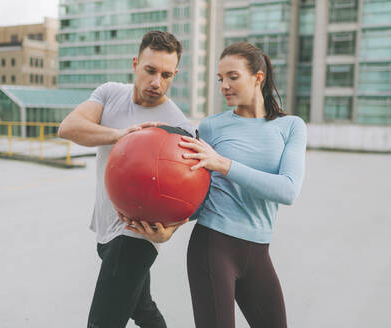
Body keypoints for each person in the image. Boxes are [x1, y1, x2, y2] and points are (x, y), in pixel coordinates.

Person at [58, 30, 193, 328]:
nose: (158, 82)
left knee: (103, 322)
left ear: (175, 74)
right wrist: (121, 136)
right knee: (142, 309)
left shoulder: (178, 126)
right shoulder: (109, 94)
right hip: (105, 227)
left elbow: (195, 192)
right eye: (150, 70)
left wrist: (169, 231)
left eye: (167, 74)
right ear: (135, 64)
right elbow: (68, 127)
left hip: (137, 235)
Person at [179, 42, 307, 327]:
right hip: (213, 245)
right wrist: (169, 222)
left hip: (259, 251)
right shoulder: (212, 127)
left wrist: (224, 164)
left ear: (258, 77)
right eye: (220, 79)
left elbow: (288, 190)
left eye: (232, 76)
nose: (224, 85)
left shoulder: (291, 127)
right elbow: (199, 192)